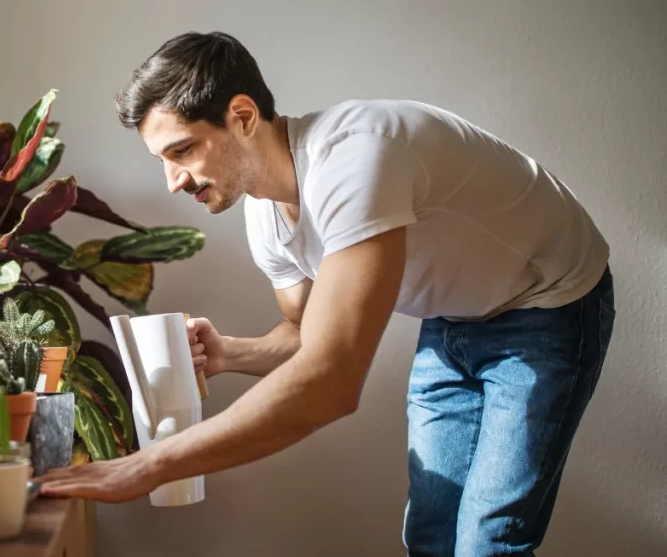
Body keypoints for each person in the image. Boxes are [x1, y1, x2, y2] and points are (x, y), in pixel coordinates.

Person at [34, 31, 615, 556]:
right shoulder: (266, 219)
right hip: (453, 317)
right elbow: (307, 336)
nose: (173, 180)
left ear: (241, 115)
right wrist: (231, 353)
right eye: (162, 160)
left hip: (550, 301)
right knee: (431, 537)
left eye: (182, 150)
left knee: (489, 541)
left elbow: (332, 380)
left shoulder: (355, 158)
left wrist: (149, 466)